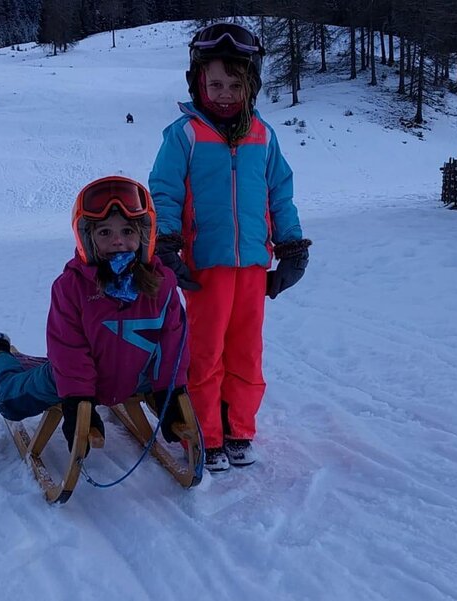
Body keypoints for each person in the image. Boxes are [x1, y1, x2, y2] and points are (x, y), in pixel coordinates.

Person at [149, 23, 311, 472]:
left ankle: (239, 429)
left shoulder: (264, 135)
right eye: (215, 84)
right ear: (197, 81)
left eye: (235, 85)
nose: (224, 94)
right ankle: (207, 432)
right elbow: (164, 192)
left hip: (254, 265)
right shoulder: (184, 134)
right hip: (205, 266)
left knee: (246, 352)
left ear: (251, 85)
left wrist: (292, 247)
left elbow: (280, 194)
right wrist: (166, 244)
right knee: (206, 352)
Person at [0, 176, 189, 449]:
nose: (118, 241)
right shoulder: (71, 287)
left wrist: (170, 392)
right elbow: (68, 348)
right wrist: (78, 399)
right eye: (105, 233)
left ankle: (38, 367)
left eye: (127, 231)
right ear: (88, 238)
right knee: (10, 402)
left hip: (132, 374)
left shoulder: (161, 285)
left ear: (144, 235)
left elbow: (172, 344)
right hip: (67, 376)